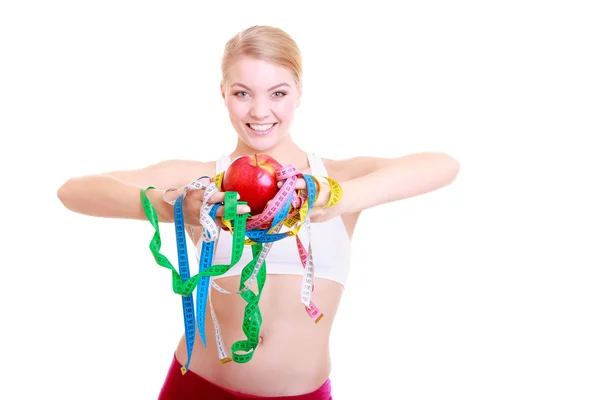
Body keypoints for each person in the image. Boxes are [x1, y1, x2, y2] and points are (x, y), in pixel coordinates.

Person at [57, 25, 460, 400]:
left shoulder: (331, 177)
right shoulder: (204, 183)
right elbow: (73, 191)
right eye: (242, 93)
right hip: (198, 386)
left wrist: (337, 197)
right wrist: (178, 206)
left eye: (278, 93)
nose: (260, 111)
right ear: (223, 93)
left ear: (300, 92)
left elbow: (443, 165)